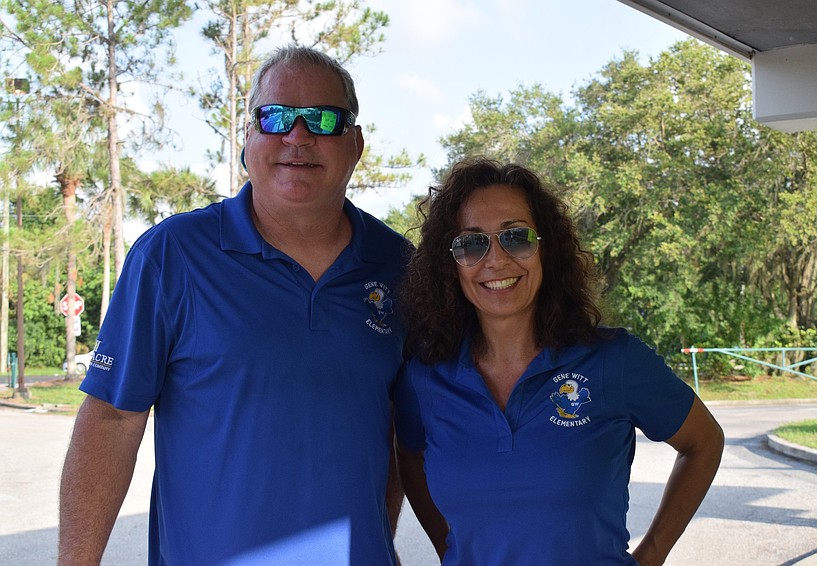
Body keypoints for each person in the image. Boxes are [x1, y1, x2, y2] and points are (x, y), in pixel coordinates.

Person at [59, 46, 410, 565]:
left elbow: (402, 434)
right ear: (248, 138)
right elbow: (112, 419)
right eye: (276, 117)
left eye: (323, 119)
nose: (298, 136)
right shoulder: (172, 255)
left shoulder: (402, 268)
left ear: (355, 143)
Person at [394, 158, 725, 565]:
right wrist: (448, 548)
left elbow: (703, 442)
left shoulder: (613, 361)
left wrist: (652, 554)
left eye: (515, 237)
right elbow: (409, 455)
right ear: (450, 264)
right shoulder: (426, 378)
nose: (495, 260)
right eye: (471, 243)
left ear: (544, 247)